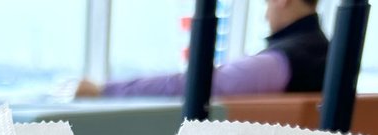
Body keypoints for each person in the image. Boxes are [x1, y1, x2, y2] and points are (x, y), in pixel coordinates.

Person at [76, 0, 329, 99]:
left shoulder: (282, 61)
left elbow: (198, 84)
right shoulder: (330, 55)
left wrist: (104, 90)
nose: (265, 16)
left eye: (266, 4)